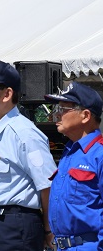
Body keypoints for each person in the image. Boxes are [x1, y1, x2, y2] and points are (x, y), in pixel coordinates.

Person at [0, 59, 57, 251]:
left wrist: (49, 229)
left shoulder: (24, 133)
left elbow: (48, 186)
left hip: (13, 227)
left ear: (7, 94)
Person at [44, 82, 103, 250]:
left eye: (63, 109)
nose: (55, 115)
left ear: (85, 115)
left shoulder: (99, 154)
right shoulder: (70, 151)